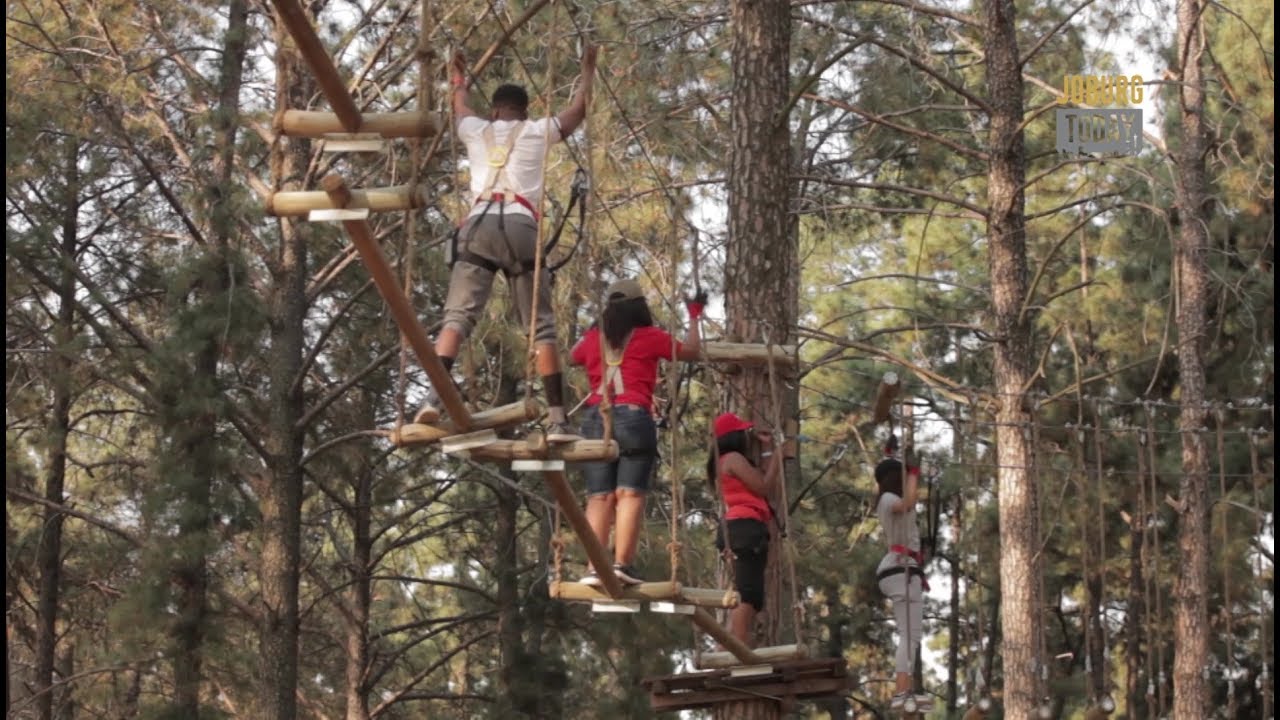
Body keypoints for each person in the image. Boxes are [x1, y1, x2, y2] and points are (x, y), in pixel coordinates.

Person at [415, 46, 599, 442]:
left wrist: (458, 77)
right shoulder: (536, 131)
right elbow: (578, 111)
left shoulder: (475, 129)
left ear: (496, 111)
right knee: (540, 325)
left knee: (457, 317)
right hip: (520, 225)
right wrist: (587, 71)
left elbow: (459, 105)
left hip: (479, 225)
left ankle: (432, 397)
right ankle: (557, 420)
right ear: (524, 112)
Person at [569, 278, 704, 585]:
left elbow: (572, 355)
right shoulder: (650, 337)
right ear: (640, 308)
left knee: (599, 496)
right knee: (629, 493)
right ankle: (621, 565)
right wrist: (694, 316)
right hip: (632, 417)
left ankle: (594, 568)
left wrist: (596, 326)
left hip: (595, 418)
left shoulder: (593, 338)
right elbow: (691, 351)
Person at [707, 412, 786, 647]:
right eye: (743, 433)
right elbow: (763, 486)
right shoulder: (733, 459)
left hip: (740, 528)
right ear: (734, 437)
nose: (747, 437)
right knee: (747, 594)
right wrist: (779, 457)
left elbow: (760, 477)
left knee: (749, 592)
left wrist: (768, 449)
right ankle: (739, 646)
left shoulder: (725, 461)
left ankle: (728, 647)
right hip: (744, 528)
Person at [874, 436, 932, 711]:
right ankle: (901, 691)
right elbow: (908, 502)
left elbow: (908, 503)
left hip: (902, 568)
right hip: (901, 568)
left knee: (910, 635)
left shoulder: (889, 500)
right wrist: (913, 473)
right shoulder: (888, 499)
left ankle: (903, 689)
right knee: (910, 635)